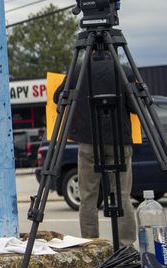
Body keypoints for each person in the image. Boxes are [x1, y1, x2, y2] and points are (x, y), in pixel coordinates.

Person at [55, 49, 136, 246]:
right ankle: (126, 246)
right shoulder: (123, 71)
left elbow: (59, 97)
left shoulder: (77, 71)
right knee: (122, 195)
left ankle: (90, 245)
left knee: (88, 197)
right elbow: (135, 106)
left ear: (89, 49)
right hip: (119, 140)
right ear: (112, 49)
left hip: (88, 142)